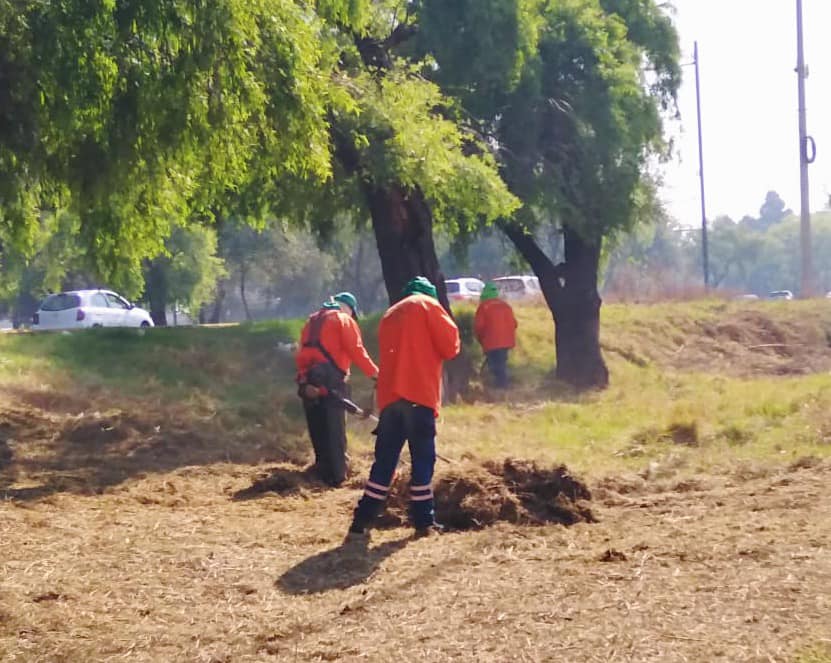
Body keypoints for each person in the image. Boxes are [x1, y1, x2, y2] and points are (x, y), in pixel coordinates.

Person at [348, 276, 460, 538]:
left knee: (384, 462)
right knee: (423, 459)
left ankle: (361, 521)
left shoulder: (391, 313)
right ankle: (424, 522)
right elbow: (451, 346)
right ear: (429, 293)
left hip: (390, 400)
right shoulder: (427, 305)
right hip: (419, 395)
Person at [295, 292, 378, 487]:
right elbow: (356, 351)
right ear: (348, 308)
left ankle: (321, 471)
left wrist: (306, 383)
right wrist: (376, 375)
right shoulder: (343, 319)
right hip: (331, 380)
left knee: (318, 428)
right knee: (334, 430)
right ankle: (336, 476)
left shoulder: (311, 321)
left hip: (307, 379)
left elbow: (301, 352)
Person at [474, 282, 517, 389]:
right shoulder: (506, 306)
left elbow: (479, 326)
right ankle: (502, 385)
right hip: (506, 342)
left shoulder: (483, 307)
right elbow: (515, 324)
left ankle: (500, 387)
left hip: (491, 342)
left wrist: (480, 339)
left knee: (495, 365)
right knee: (501, 363)